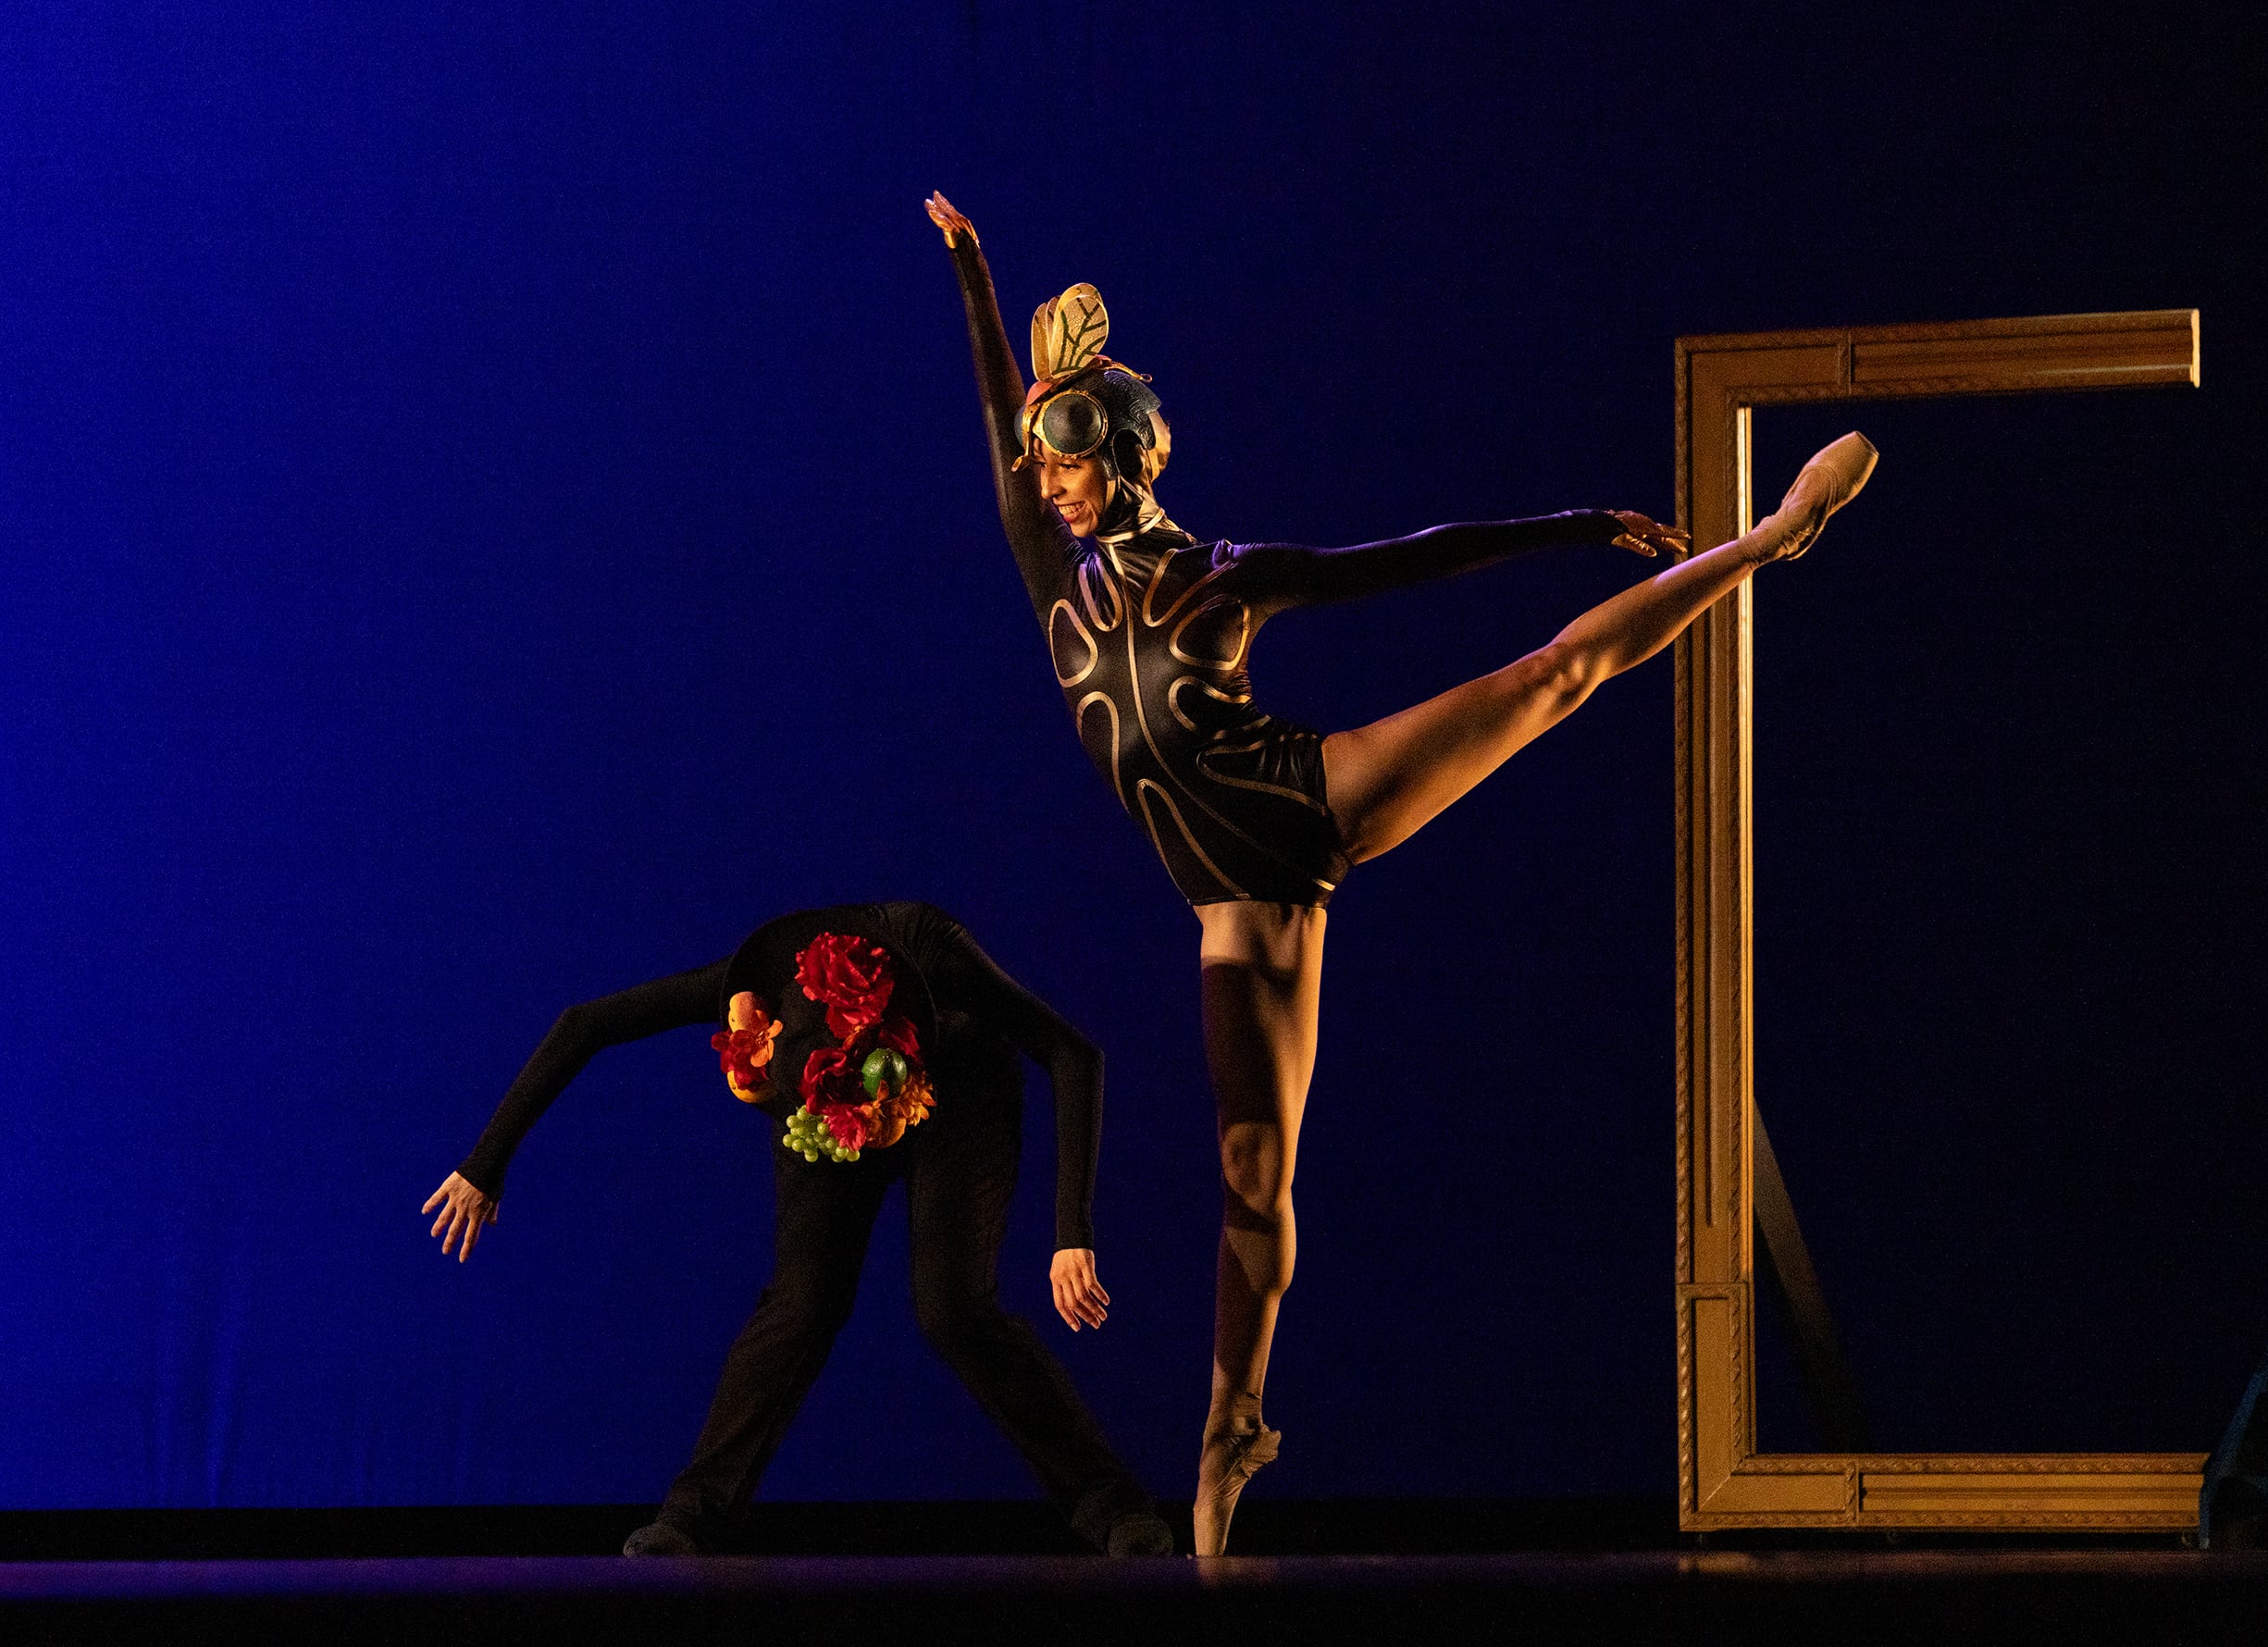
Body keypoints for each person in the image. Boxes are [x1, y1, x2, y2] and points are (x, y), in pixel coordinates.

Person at [925, 192, 1878, 1554]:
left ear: (1123, 456)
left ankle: (1767, 537)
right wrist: (971, 270)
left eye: (1066, 456)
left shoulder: (1218, 576)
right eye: (1038, 461)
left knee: (1548, 676)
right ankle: (1228, 1437)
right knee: (1253, 1177)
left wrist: (1562, 526)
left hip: (1313, 801)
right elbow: (988, 426)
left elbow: (1406, 564)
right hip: (1232, 912)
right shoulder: (1049, 579)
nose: (1047, 478)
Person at [422, 900, 1172, 1557]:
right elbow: (586, 1023)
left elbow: (1073, 1053)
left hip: (956, 1103)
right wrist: (483, 1165)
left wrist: (1071, 1230)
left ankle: (1111, 1507)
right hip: (822, 1120)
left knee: (953, 1312)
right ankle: (692, 1517)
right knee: (800, 1307)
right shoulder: (760, 992)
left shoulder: (934, 954)